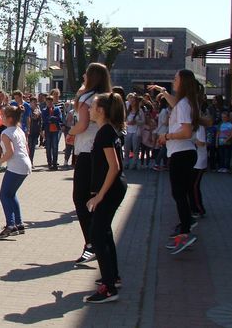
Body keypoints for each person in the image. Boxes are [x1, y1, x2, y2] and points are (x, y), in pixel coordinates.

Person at [149, 69, 201, 255]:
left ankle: (185, 232)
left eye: (175, 79)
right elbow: (175, 104)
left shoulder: (184, 104)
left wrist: (167, 136)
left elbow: (186, 132)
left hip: (182, 153)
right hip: (183, 153)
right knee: (181, 193)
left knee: (179, 194)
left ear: (183, 82)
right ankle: (187, 223)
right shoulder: (184, 103)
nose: (173, 81)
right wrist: (163, 92)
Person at [83, 92, 127, 304]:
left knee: (97, 235)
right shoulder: (107, 130)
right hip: (111, 189)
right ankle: (113, 277)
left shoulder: (105, 132)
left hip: (111, 190)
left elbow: (114, 167)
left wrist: (99, 195)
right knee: (104, 232)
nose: (89, 109)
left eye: (92, 106)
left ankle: (108, 288)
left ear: (101, 110)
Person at [70, 63, 112, 266]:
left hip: (88, 151)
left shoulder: (88, 98)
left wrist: (70, 132)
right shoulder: (106, 97)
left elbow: (83, 124)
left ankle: (92, 243)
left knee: (81, 198)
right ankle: (97, 242)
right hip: (100, 151)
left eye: (86, 74)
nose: (83, 76)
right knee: (93, 198)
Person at [0, 105, 32, 239]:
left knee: (4, 195)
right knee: (11, 194)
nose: (2, 118)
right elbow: (26, 148)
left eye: (3, 116)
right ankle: (19, 224)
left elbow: (10, 152)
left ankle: (10, 225)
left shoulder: (6, 133)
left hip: (16, 166)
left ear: (10, 118)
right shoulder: (19, 130)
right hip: (25, 164)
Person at [43, 90, 63, 171]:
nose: (49, 103)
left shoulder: (57, 109)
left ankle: (55, 163)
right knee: (48, 147)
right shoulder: (44, 110)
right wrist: (53, 119)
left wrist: (51, 118)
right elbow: (45, 120)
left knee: (55, 147)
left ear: (52, 102)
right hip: (48, 130)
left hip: (55, 130)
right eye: (47, 102)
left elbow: (59, 118)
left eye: (50, 102)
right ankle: (49, 163)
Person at [124, 95, 144, 170]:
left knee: (136, 148)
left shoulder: (140, 111)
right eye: (131, 101)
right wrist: (127, 123)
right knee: (126, 148)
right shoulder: (127, 110)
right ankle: (126, 163)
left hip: (136, 131)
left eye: (133, 101)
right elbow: (124, 120)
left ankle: (134, 163)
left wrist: (136, 122)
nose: (132, 102)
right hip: (128, 131)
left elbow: (143, 121)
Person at [27, 97, 42, 164]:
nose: (35, 103)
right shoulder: (28, 110)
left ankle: (31, 161)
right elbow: (33, 117)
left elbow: (40, 121)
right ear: (30, 103)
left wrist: (41, 130)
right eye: (34, 102)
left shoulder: (38, 110)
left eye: (36, 102)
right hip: (29, 131)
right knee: (28, 147)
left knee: (33, 148)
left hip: (35, 131)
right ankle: (28, 162)